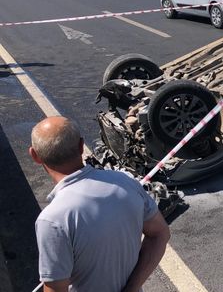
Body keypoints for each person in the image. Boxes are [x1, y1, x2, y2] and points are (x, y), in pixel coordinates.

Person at [29, 116, 170, 292]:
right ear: (81, 146)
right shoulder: (125, 182)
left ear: (35, 156)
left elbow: (56, 288)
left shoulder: (52, 220)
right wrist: (132, 287)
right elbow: (159, 234)